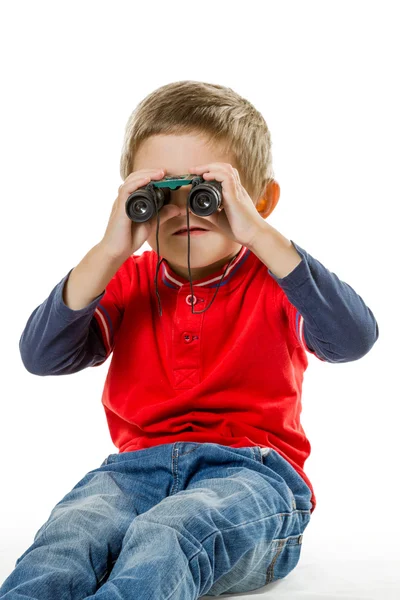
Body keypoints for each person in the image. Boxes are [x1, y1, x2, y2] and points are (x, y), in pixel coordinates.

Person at [0, 80, 379, 599]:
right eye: (160, 195)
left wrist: (261, 237)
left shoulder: (278, 282)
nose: (184, 210)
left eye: (207, 193)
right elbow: (41, 356)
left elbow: (353, 338)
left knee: (170, 533)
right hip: (133, 471)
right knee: (68, 539)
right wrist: (108, 252)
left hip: (254, 477)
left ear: (259, 199)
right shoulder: (128, 281)